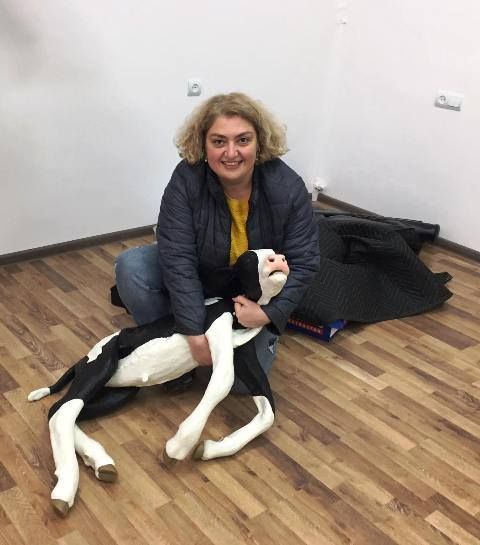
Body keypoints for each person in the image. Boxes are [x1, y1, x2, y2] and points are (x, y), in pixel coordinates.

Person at [115, 92, 319, 391]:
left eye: (243, 140)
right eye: (219, 141)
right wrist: (193, 332)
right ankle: (171, 344)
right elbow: (178, 258)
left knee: (241, 387)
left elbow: (304, 262)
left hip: (251, 296)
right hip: (204, 277)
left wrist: (267, 314)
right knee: (131, 267)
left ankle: (230, 334)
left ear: (260, 142)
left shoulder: (288, 186)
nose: (231, 153)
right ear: (203, 144)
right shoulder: (186, 180)